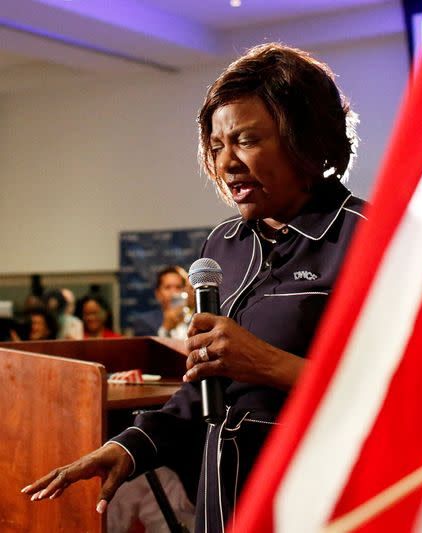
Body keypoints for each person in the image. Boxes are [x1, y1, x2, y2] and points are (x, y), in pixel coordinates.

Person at [24, 43, 366, 531]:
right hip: (224, 500)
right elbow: (207, 388)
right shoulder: (222, 244)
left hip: (322, 500)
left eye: (246, 141)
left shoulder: (372, 238)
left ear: (307, 140)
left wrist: (271, 365)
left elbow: (411, 396)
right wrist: (128, 446)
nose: (227, 164)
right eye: (217, 146)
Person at [129, 266, 191, 338]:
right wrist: (165, 328)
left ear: (186, 291)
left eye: (178, 287)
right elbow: (146, 348)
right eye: (168, 287)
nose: (174, 292)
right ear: (158, 294)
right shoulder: (144, 322)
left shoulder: (196, 319)